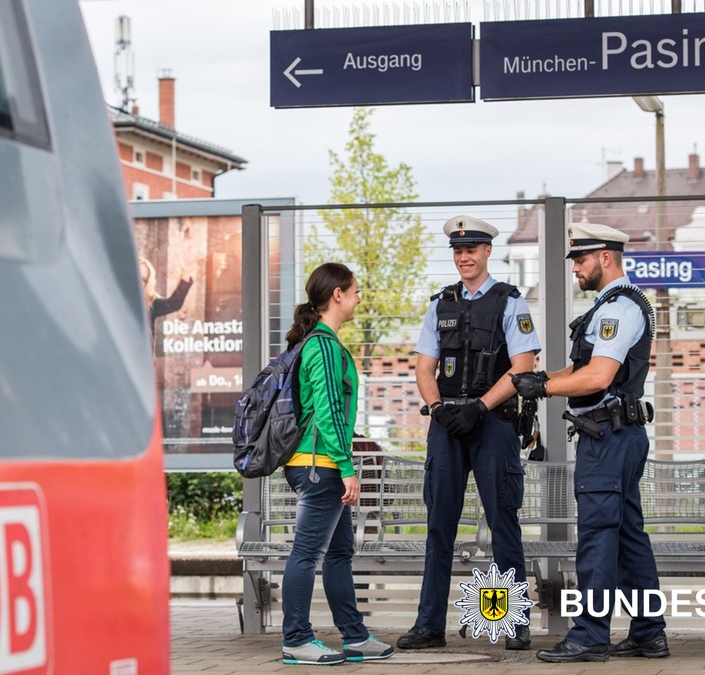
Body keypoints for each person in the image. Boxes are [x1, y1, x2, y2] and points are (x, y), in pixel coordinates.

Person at [512, 222, 669, 663]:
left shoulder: (617, 309)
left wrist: (543, 390)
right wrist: (541, 378)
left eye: (581, 260)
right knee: (628, 537)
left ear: (605, 257)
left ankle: (589, 636)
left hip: (608, 437)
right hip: (618, 434)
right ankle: (647, 632)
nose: (576, 269)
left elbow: (598, 377)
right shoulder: (613, 305)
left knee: (599, 536)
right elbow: (587, 368)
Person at [397, 216, 539, 652]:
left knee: (502, 522)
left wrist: (479, 407)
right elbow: (424, 367)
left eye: (472, 249)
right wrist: (439, 409)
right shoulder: (439, 304)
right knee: (439, 525)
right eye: (458, 251)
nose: (464, 257)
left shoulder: (511, 303)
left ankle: (512, 622)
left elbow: (524, 367)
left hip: (492, 424)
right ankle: (429, 626)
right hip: (447, 427)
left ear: (487, 252)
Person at [279, 262, 395, 666]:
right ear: (337, 295)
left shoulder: (319, 342)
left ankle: (355, 637)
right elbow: (328, 411)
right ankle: (295, 639)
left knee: (339, 553)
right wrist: (347, 467)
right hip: (320, 465)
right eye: (356, 291)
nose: (360, 298)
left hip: (320, 461)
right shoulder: (324, 346)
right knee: (307, 554)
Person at [139, 256, 193, 335]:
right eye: (136, 274)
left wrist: (186, 273)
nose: (138, 280)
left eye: (143, 279)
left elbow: (173, 304)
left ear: (147, 284)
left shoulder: (150, 303)